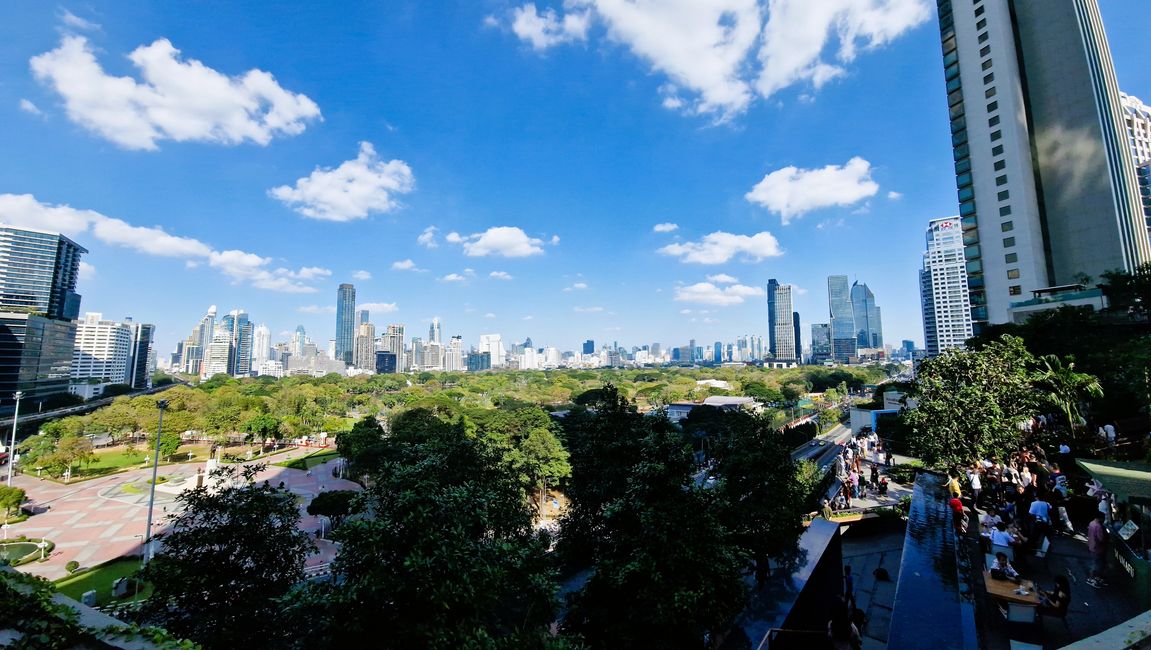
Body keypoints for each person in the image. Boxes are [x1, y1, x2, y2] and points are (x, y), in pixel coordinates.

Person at [1087, 513, 1108, 588]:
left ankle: (1095, 578)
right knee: (1096, 565)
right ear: (1100, 518)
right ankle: (1091, 579)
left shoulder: (1091, 523)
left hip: (1091, 546)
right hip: (1098, 548)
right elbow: (1101, 539)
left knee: (1094, 563)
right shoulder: (1098, 526)